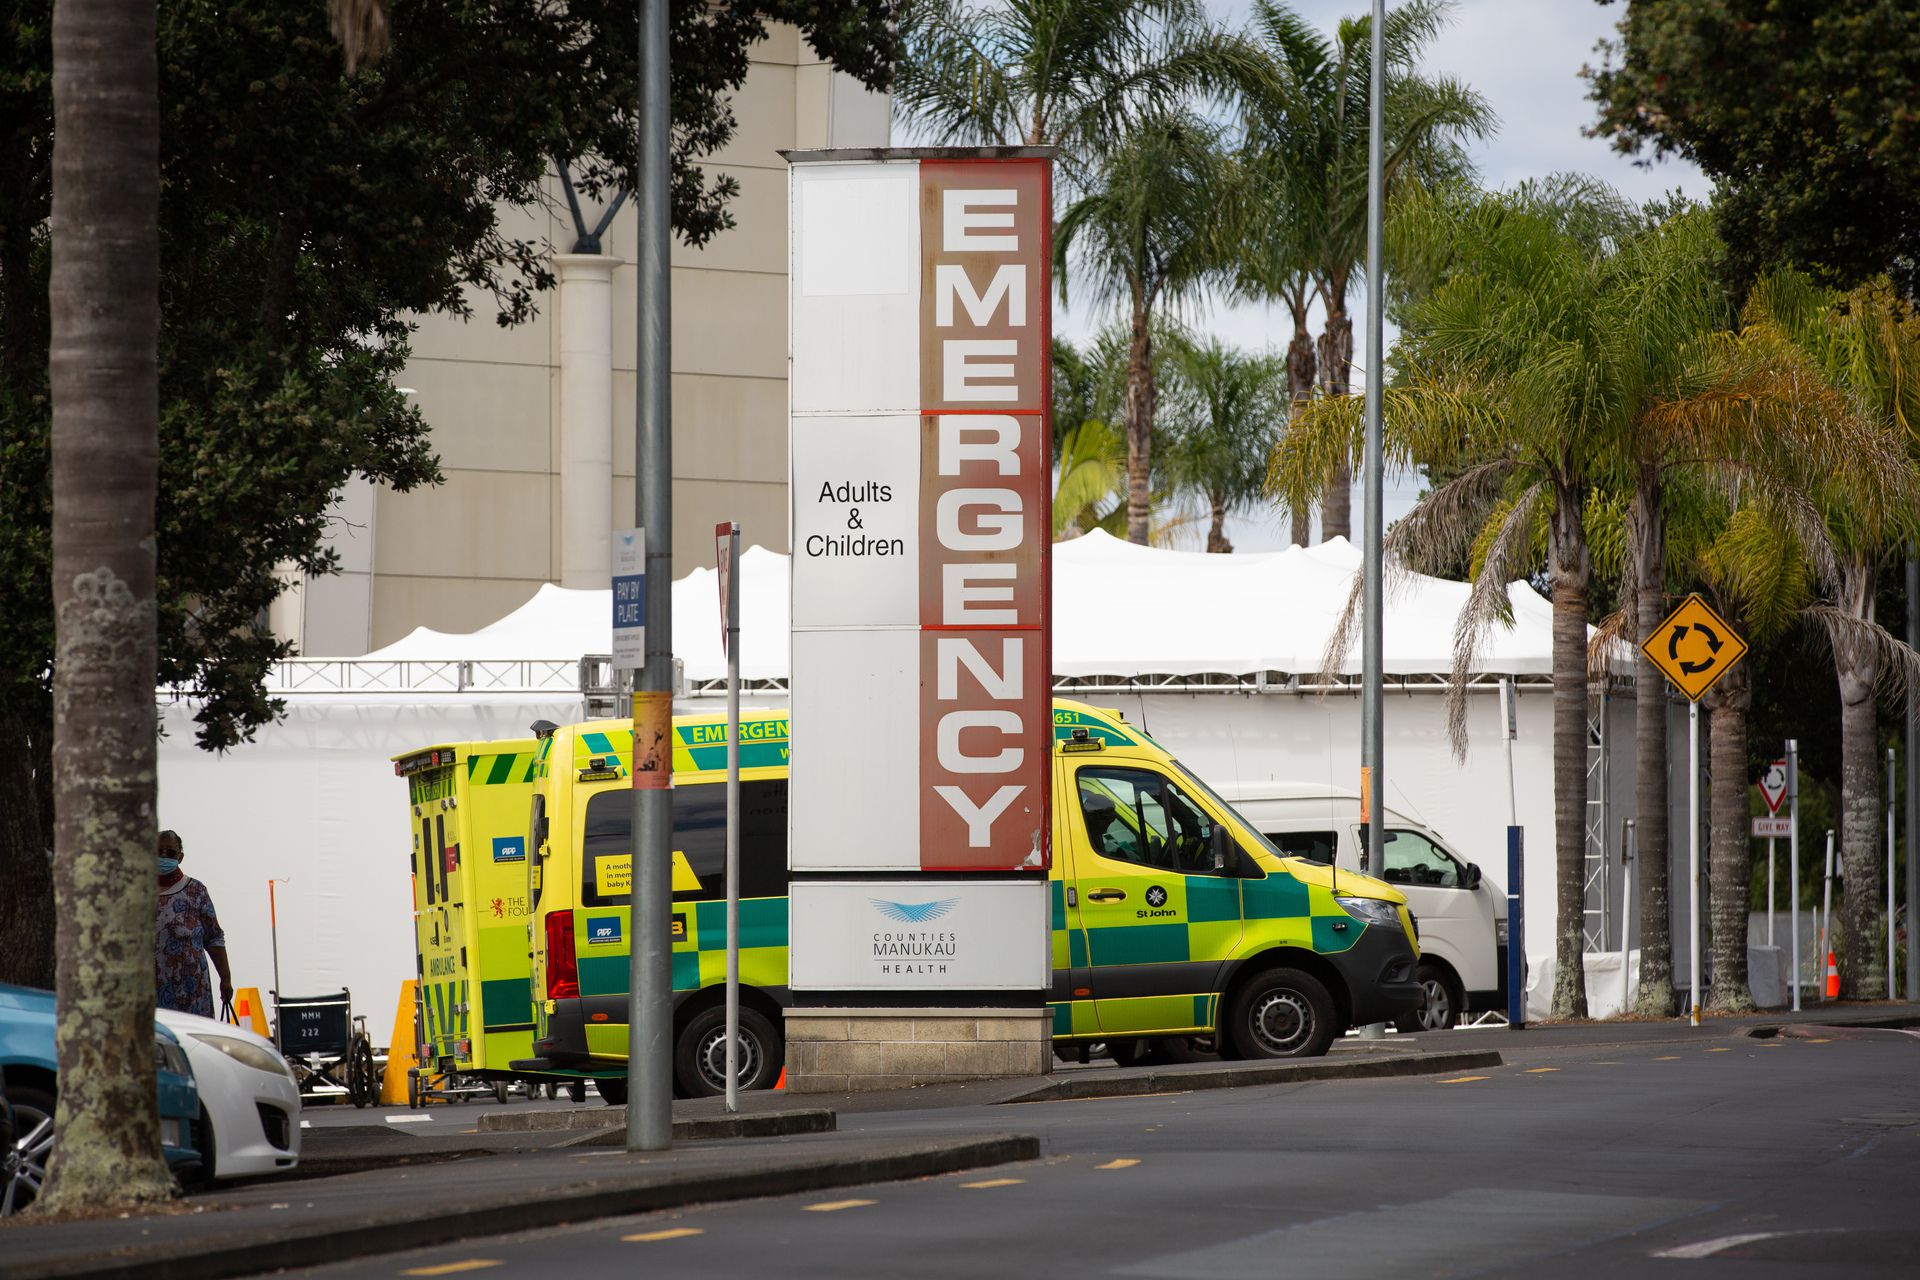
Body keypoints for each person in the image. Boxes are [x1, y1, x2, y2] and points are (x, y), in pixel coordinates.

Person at [155, 830, 232, 1017]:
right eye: (158, 852)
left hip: (191, 994)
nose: (164, 856)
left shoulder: (196, 891)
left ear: (180, 857)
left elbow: (214, 937)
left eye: (170, 853)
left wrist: (225, 978)